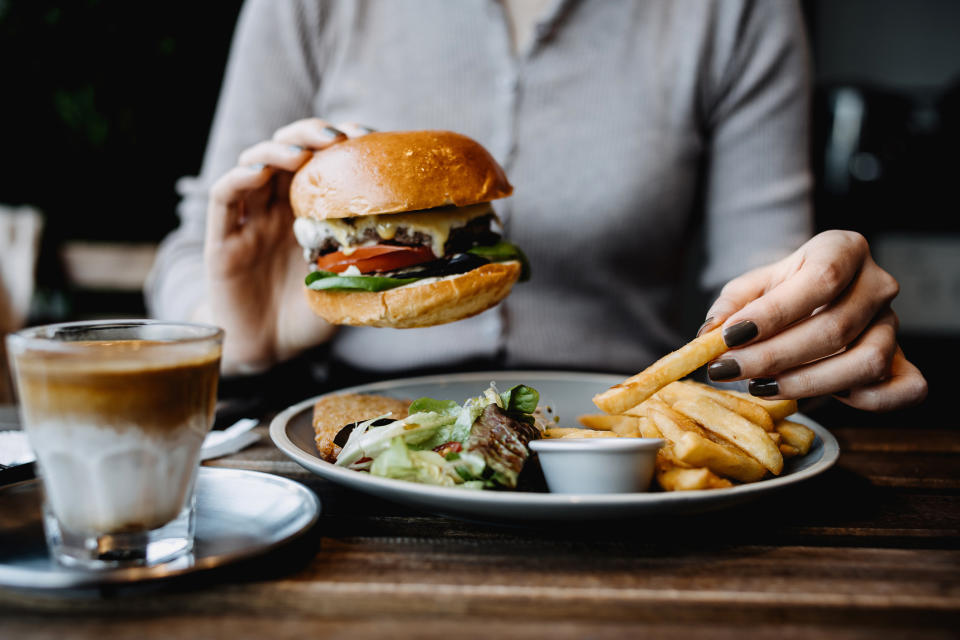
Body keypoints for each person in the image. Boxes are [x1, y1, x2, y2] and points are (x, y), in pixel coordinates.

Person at [146, 0, 926, 412]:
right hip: (356, 433)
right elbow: (192, 250)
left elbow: (768, 283)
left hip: (620, 434)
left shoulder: (734, 9)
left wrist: (816, 312)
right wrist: (233, 329)